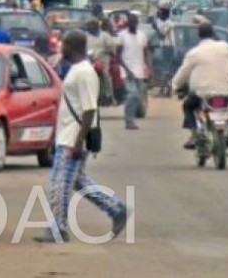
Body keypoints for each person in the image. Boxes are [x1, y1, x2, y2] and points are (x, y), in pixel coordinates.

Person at [35, 31, 130, 244]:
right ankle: (116, 209)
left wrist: (78, 143)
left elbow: (89, 110)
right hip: (69, 134)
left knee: (59, 183)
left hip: (74, 137)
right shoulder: (77, 70)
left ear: (72, 46)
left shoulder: (84, 72)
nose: (61, 49)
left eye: (64, 45)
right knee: (77, 181)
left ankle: (58, 228)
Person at [170, 22, 228, 148]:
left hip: (203, 94)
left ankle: (195, 134)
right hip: (225, 91)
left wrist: (175, 85)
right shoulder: (225, 47)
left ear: (199, 35)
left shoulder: (195, 53)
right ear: (213, 33)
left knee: (188, 106)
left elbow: (183, 72)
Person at [116, 13, 150, 130]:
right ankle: (129, 121)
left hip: (139, 71)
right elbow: (118, 56)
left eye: (135, 22)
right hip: (127, 72)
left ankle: (131, 119)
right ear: (127, 23)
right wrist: (126, 69)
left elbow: (146, 53)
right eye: (131, 22)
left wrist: (149, 67)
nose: (133, 24)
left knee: (138, 97)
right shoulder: (122, 36)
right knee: (132, 94)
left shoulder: (142, 36)